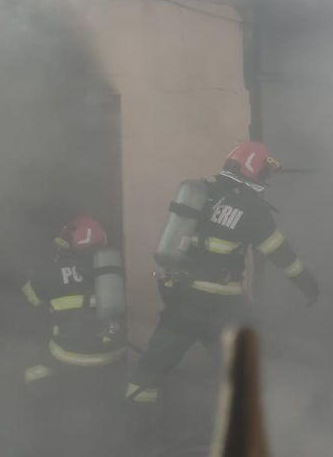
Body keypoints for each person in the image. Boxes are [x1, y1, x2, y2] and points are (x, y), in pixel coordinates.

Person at [126, 142, 319, 420]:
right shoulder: (253, 209)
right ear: (252, 168)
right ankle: (241, 427)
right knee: (243, 369)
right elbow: (281, 254)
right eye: (264, 171)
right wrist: (308, 285)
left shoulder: (201, 194)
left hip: (181, 300)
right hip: (223, 307)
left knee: (151, 367)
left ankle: (135, 426)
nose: (266, 177)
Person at [20, 214, 127, 456]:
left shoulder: (50, 270)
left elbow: (30, 300)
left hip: (69, 356)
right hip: (113, 355)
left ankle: (43, 434)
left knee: (32, 371)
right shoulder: (113, 270)